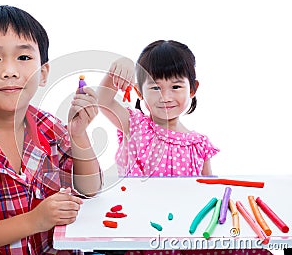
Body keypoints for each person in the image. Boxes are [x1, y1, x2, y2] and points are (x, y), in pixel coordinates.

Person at [0, 5, 102, 255]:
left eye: (23, 58)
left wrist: (78, 135)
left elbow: (89, 189)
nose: (9, 71)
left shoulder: (50, 128)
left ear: (43, 73)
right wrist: (36, 220)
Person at [97, 40, 272, 255]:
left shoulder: (199, 144)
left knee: (254, 250)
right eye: (155, 87)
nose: (166, 96)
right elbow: (103, 100)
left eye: (176, 86)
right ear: (139, 92)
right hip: (143, 232)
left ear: (192, 89)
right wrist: (118, 67)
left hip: (189, 233)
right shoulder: (134, 125)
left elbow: (210, 194)